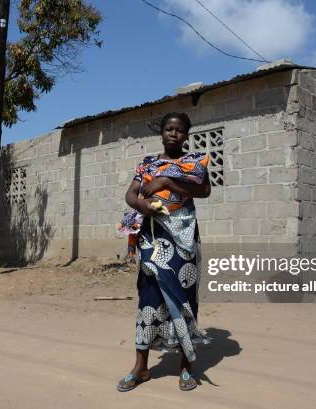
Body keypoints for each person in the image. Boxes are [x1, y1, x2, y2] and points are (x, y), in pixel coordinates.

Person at [117, 112, 211, 392]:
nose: (174, 134)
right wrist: (143, 206)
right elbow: (131, 194)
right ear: (162, 132)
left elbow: (204, 191)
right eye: (169, 129)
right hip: (151, 237)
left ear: (186, 135)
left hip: (183, 240)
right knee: (149, 297)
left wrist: (168, 183)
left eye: (180, 130)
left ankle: (186, 366)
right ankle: (141, 367)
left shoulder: (194, 163)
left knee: (184, 298)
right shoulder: (148, 163)